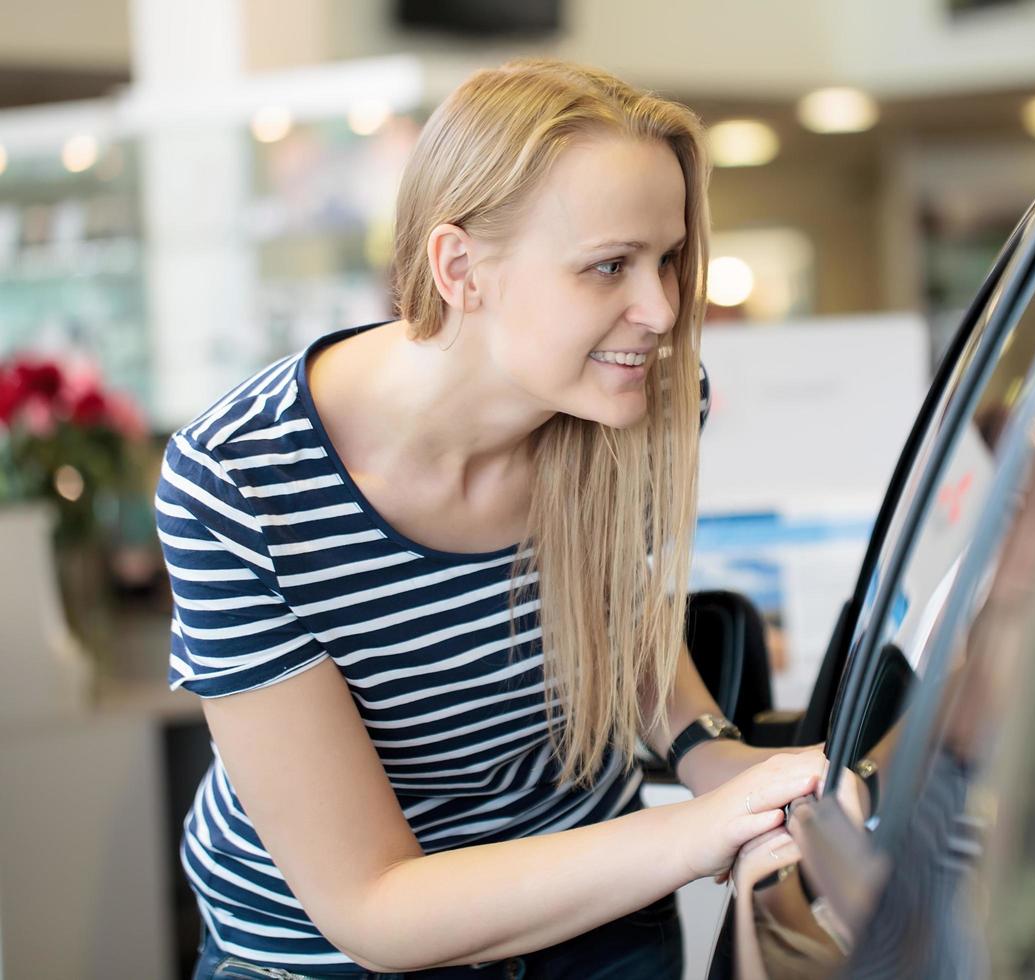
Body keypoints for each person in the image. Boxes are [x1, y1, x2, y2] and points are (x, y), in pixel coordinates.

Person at [158, 58, 833, 979]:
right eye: (610, 266)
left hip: (594, 925)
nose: (664, 310)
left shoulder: (637, 403)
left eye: (668, 258)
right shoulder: (238, 480)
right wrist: (704, 827)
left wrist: (708, 752)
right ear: (460, 267)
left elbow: (608, 598)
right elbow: (375, 908)